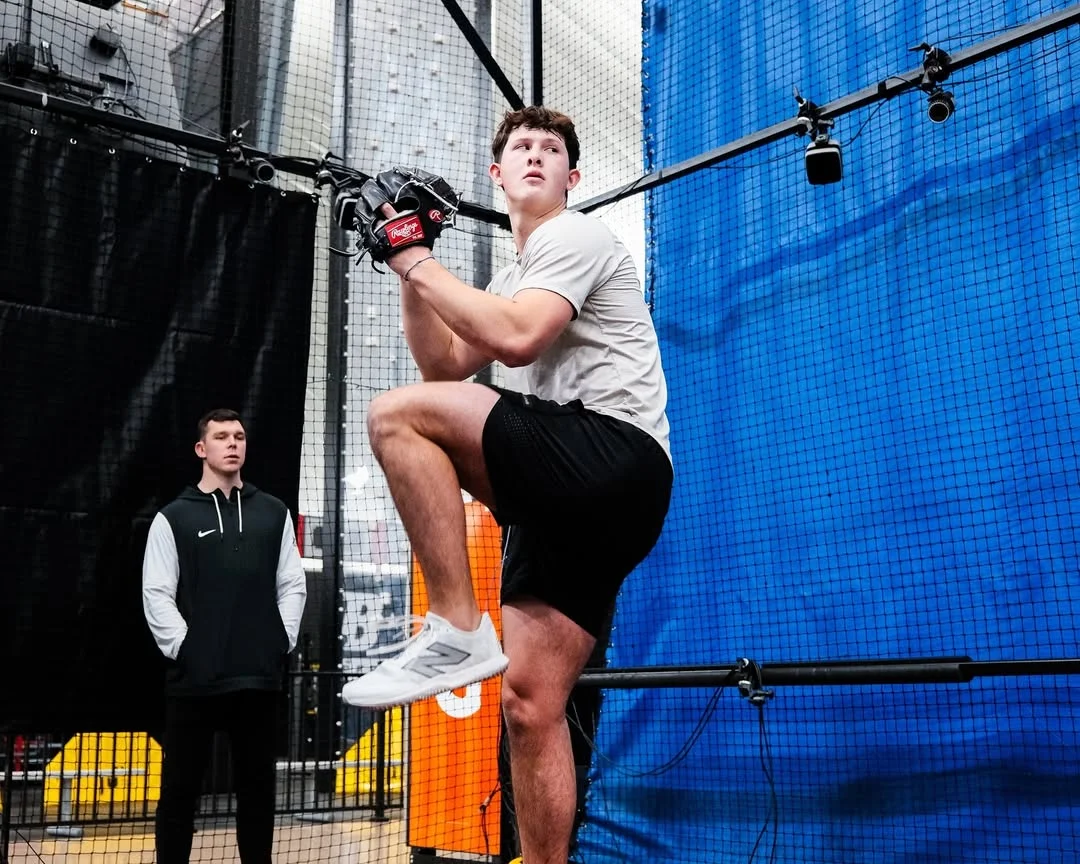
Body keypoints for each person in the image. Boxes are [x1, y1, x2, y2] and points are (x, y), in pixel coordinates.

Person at [341, 105, 672, 864]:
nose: (534, 156)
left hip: (610, 456)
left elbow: (517, 337)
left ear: (571, 177)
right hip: (583, 502)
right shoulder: (515, 269)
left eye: (551, 149)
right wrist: (410, 259)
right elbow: (443, 367)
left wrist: (413, 258)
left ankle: (455, 628)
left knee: (394, 418)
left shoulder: (574, 235)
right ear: (496, 174)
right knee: (530, 703)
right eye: (520, 147)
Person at [142, 408, 307, 864]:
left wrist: (281, 639)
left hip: (257, 679)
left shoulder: (274, 512)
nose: (232, 443)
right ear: (202, 449)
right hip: (195, 682)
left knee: (257, 794)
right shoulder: (172, 517)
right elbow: (157, 594)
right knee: (179, 793)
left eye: (238, 436)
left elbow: (292, 584)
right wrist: (189, 650)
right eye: (221, 437)